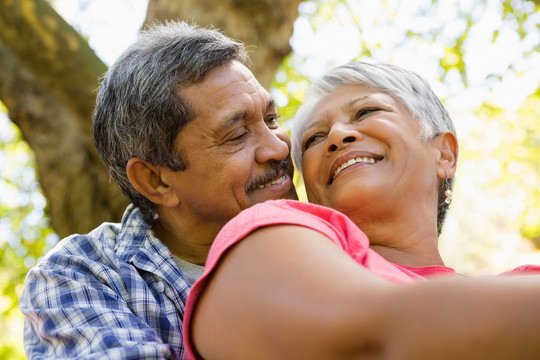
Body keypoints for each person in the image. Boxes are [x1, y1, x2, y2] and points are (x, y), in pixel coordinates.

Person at [182, 61, 540, 359]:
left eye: (367, 111)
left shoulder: (525, 280)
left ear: (444, 154)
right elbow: (380, 334)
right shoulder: (264, 236)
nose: (338, 135)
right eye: (314, 140)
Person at [19, 21, 297, 359]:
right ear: (157, 180)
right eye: (237, 135)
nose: (279, 149)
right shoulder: (81, 276)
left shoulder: (339, 235)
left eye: (271, 119)